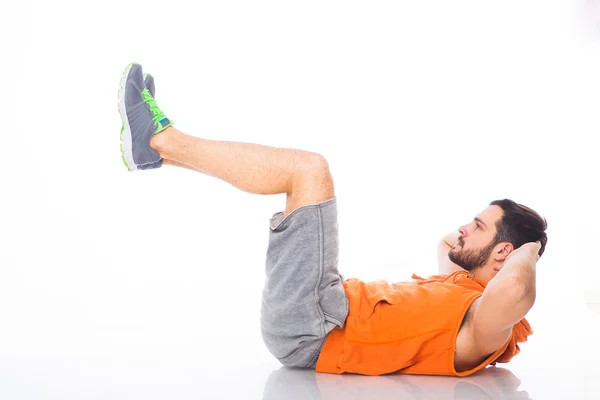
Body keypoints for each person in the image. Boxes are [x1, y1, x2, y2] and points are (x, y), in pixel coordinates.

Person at [117, 63, 548, 377]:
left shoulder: (485, 324)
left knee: (308, 170)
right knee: (304, 173)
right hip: (320, 310)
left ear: (505, 252)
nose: (464, 228)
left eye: (479, 225)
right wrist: (487, 239)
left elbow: (512, 287)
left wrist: (530, 248)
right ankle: (159, 154)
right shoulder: (459, 282)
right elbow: (447, 244)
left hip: (315, 325)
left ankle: (160, 136)